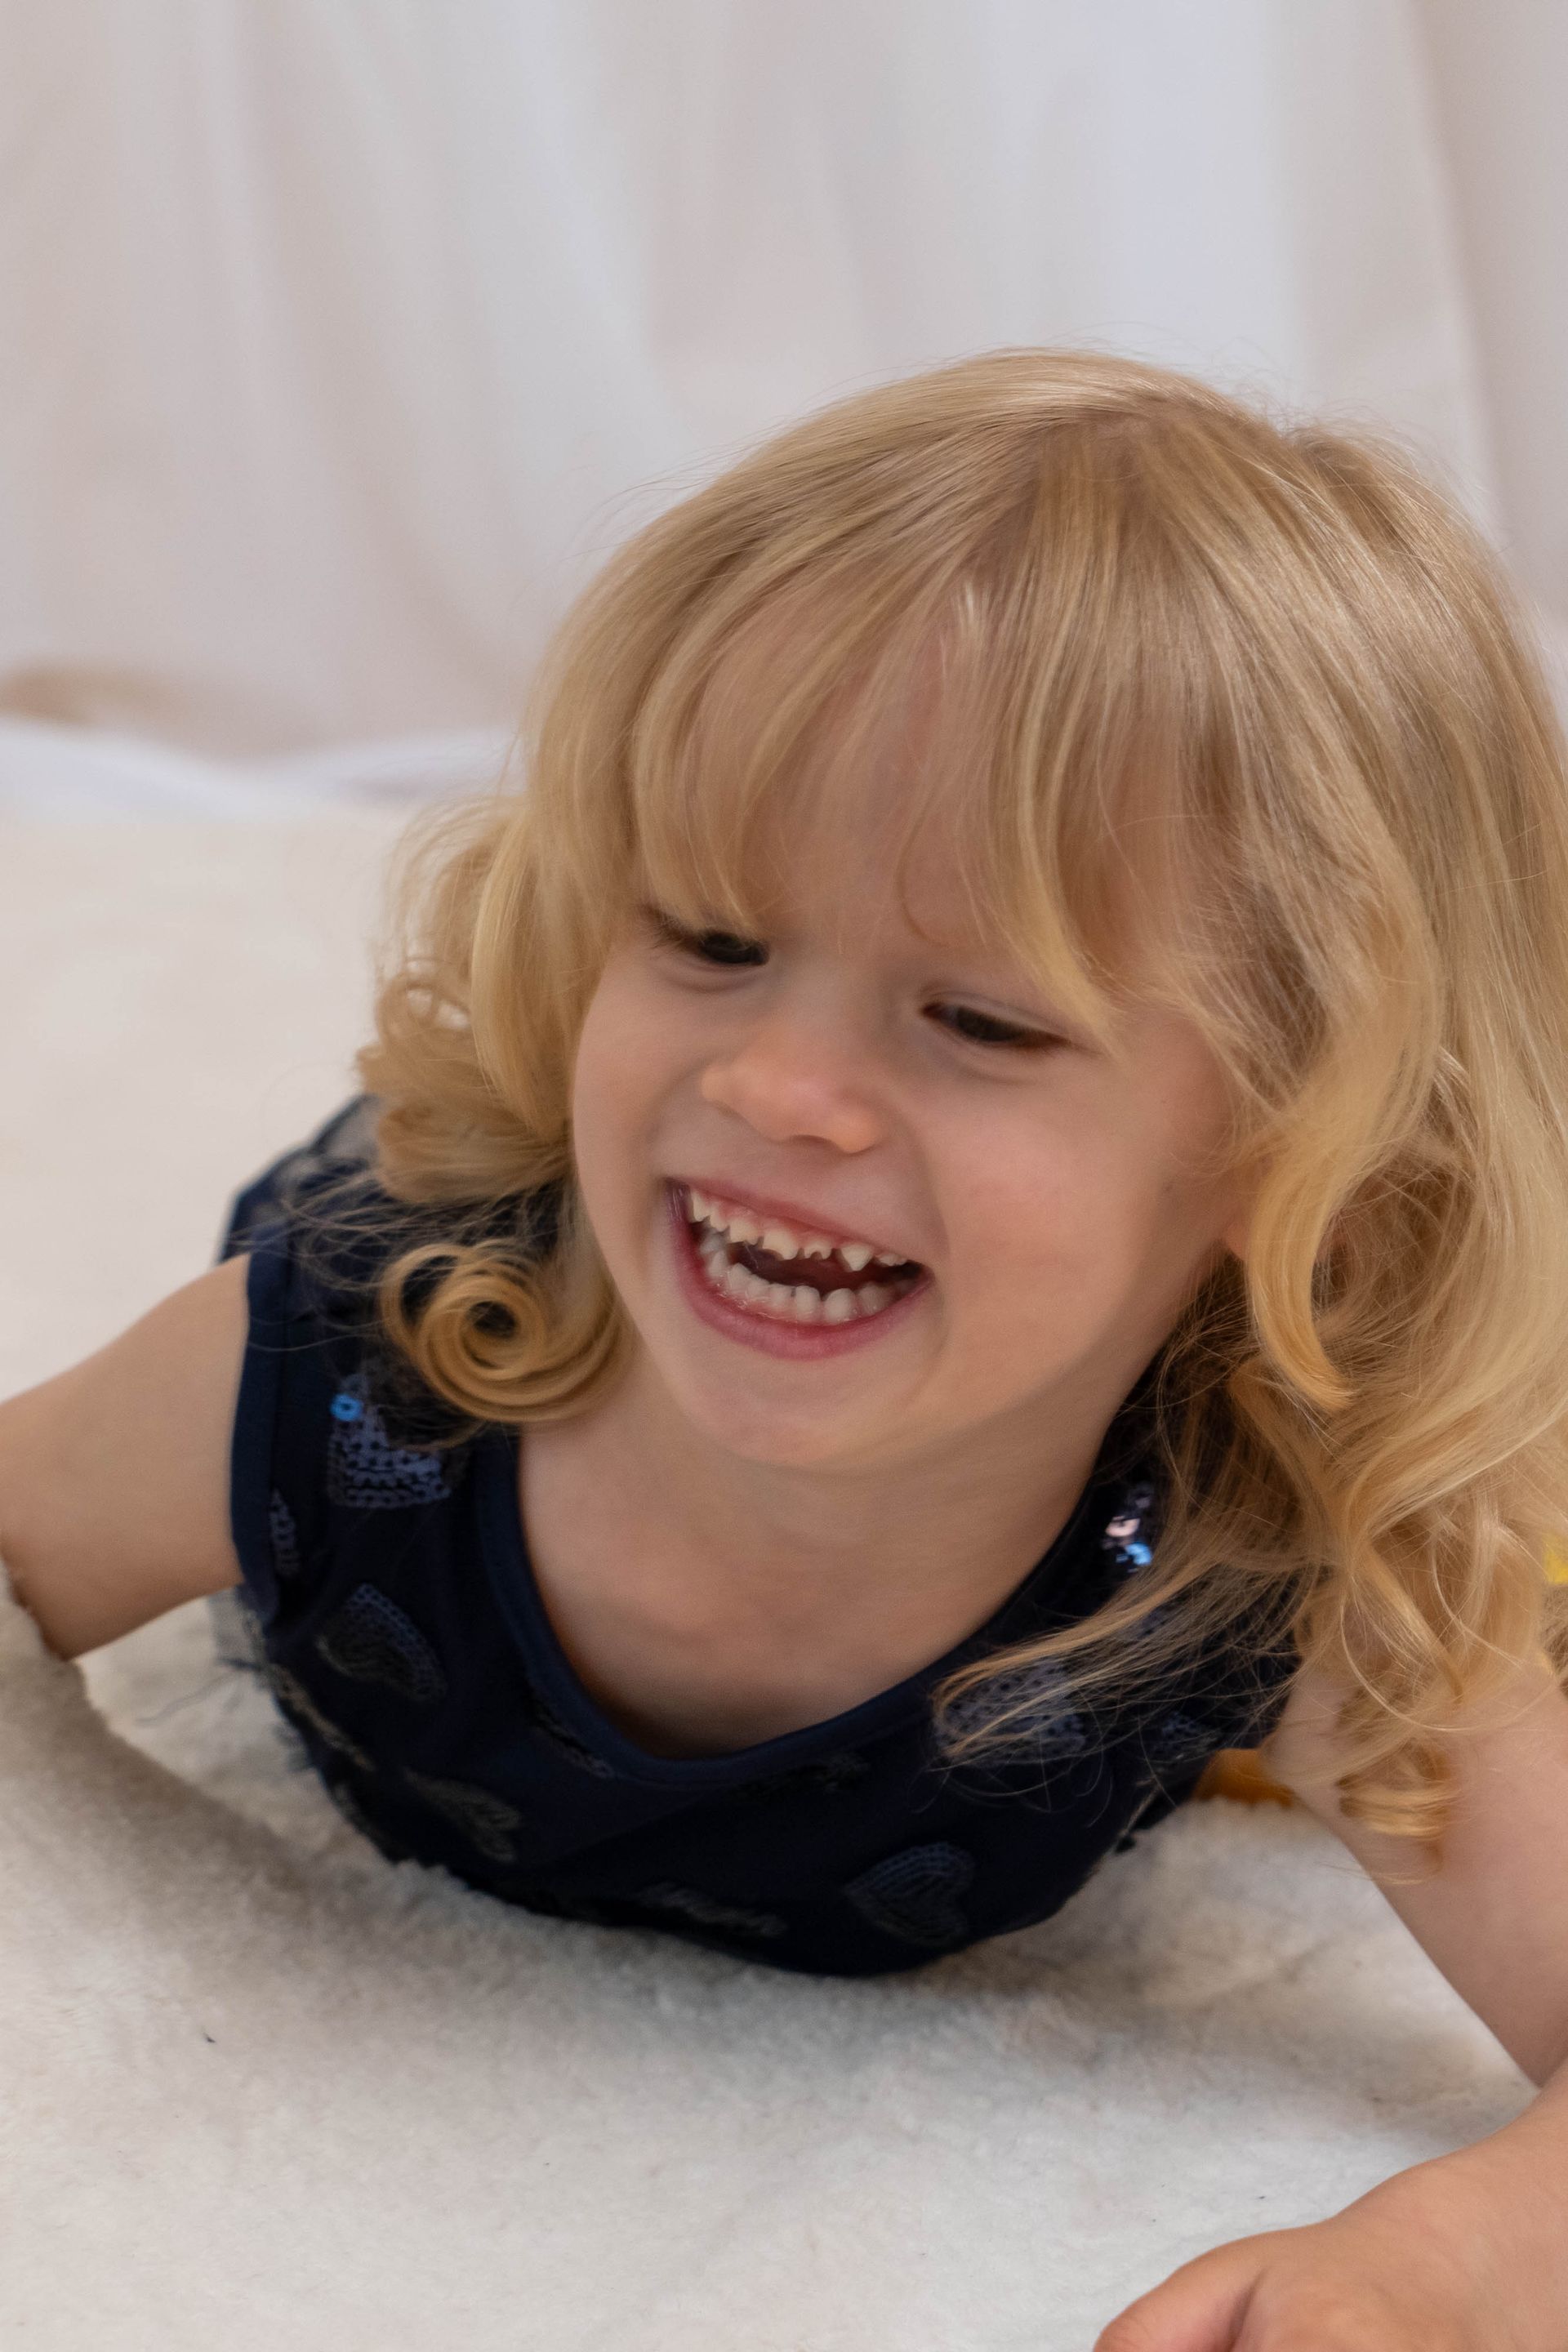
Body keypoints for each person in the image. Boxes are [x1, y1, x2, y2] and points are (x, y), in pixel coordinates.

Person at [5, 350, 1568, 2346]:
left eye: (981, 1021)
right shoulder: (324, 1376)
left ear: (1301, 1152)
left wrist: (1456, 2255)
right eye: (713, 940)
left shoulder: (1273, 1571)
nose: (778, 1087)